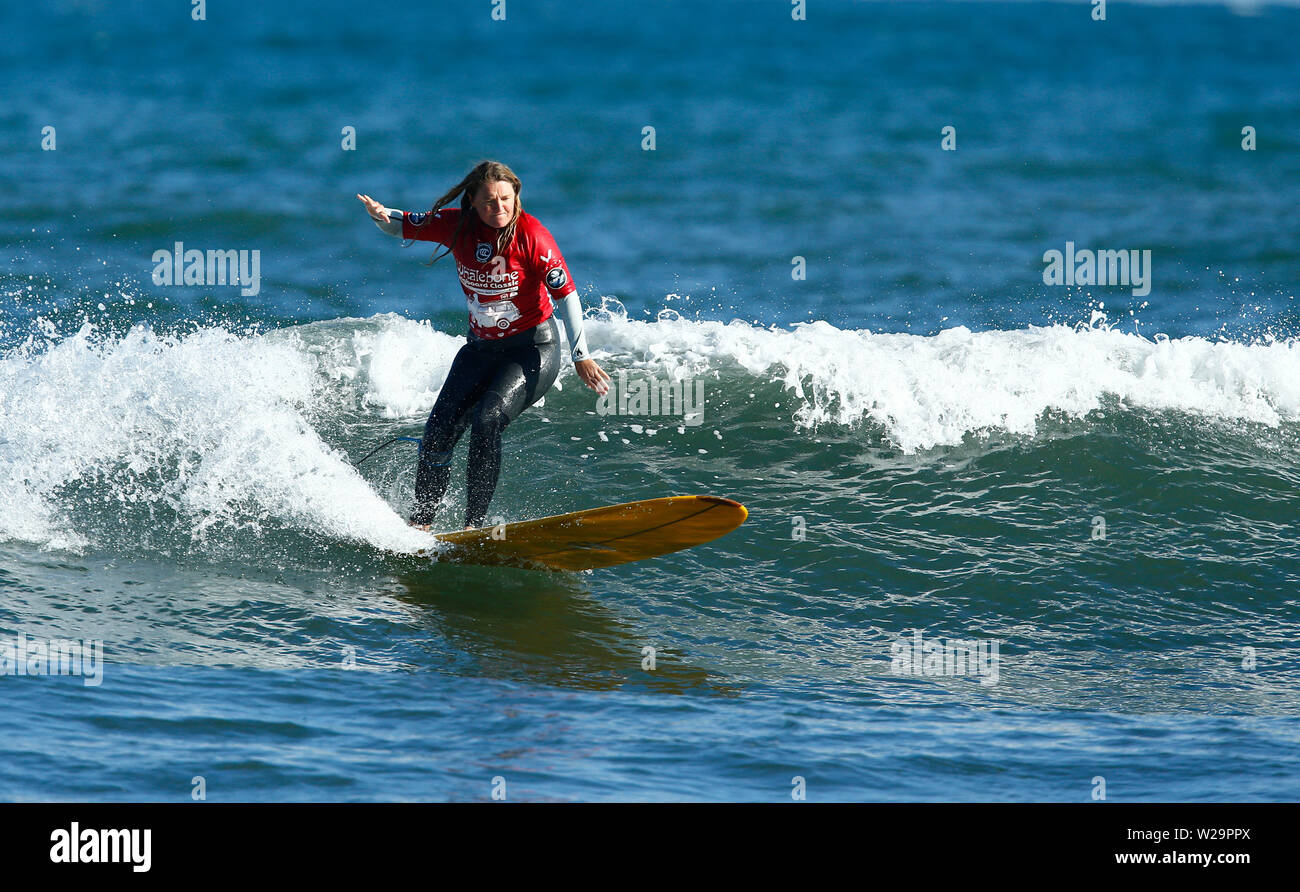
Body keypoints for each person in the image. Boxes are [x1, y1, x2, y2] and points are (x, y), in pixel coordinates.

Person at [358, 160, 610, 530]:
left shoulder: (533, 236)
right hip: (480, 349)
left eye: (506, 199)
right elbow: (402, 224)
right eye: (489, 201)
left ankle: (473, 527)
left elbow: (567, 296)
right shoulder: (458, 227)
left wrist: (581, 356)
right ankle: (421, 524)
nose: (500, 208)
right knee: (439, 429)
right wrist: (381, 215)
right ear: (472, 201)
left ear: (516, 196)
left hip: (532, 348)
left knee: (487, 420)